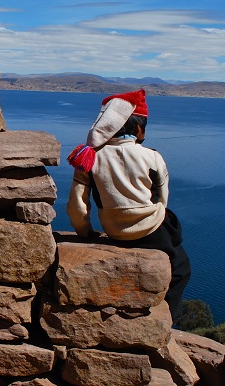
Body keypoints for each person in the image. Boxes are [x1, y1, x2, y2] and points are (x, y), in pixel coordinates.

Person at [66, 89, 191, 321]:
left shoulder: (90, 157)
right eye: (144, 125)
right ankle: (169, 320)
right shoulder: (152, 157)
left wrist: (86, 233)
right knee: (181, 269)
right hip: (151, 230)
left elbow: (77, 206)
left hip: (113, 231)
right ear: (136, 128)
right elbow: (162, 200)